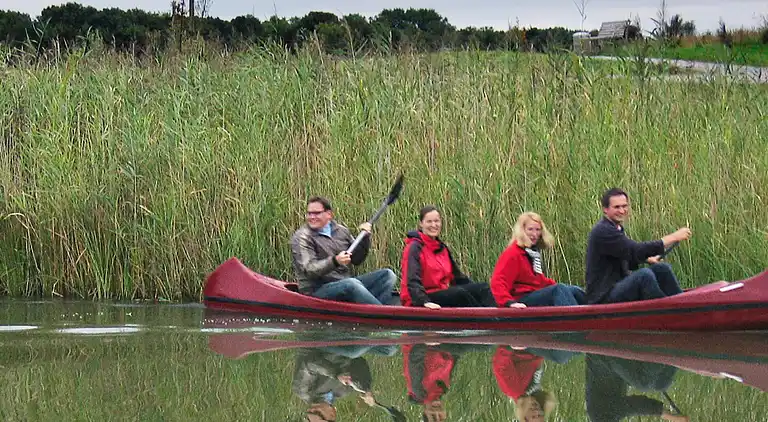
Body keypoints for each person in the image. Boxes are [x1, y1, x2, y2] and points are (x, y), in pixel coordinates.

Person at [585, 188, 692, 305]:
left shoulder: (616, 228)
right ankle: (664, 311)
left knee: (662, 269)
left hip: (617, 287)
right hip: (602, 296)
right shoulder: (603, 231)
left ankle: (683, 304)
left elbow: (626, 255)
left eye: (624, 206)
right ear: (605, 210)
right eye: (617, 207)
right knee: (644, 276)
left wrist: (647, 258)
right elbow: (635, 250)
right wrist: (673, 237)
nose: (622, 211)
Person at [290, 196, 396, 305]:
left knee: (387, 275)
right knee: (351, 283)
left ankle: (373, 311)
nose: (312, 217)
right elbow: (309, 270)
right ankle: (380, 313)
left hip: (343, 284)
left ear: (329, 214)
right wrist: (335, 261)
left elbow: (357, 260)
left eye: (317, 213)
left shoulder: (341, 231)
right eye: (309, 213)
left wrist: (365, 239)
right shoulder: (302, 237)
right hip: (316, 290)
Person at [400, 205, 496, 309]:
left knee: (483, 287)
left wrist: (474, 290)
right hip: (421, 297)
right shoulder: (414, 248)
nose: (434, 225)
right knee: (459, 294)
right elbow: (412, 279)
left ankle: (500, 316)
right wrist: (423, 301)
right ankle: (485, 321)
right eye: (429, 221)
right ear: (421, 224)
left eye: (436, 221)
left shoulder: (442, 248)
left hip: (441, 293)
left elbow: (457, 278)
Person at [490, 212, 586, 308]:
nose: (534, 234)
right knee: (559, 290)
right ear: (522, 230)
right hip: (521, 299)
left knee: (574, 290)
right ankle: (573, 321)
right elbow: (498, 281)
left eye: (538, 230)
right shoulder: (513, 253)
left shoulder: (532, 254)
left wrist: (563, 287)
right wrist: (509, 302)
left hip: (534, 294)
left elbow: (539, 282)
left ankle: (596, 316)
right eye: (530, 229)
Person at [585, 353, 690, 422]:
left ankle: (665, 346)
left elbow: (634, 405)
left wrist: (671, 417)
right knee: (661, 384)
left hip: (602, 357)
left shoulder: (600, 416)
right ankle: (679, 349)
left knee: (642, 382)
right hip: (614, 366)